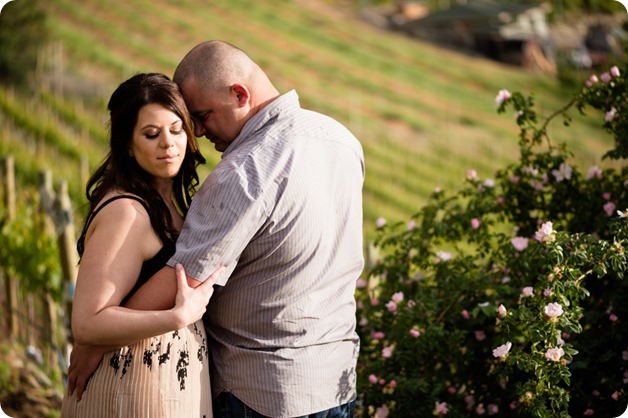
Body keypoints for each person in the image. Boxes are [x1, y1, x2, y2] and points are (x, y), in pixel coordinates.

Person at [69, 40, 365, 418]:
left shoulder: (246, 170)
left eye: (199, 117)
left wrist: (94, 341)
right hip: (335, 382)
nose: (199, 131)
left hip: (263, 392)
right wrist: (96, 329)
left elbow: (185, 278)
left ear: (240, 94)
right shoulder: (340, 139)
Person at [61, 72, 223, 418]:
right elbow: (88, 322)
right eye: (151, 134)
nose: (168, 143)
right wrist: (175, 317)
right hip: (129, 391)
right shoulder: (126, 212)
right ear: (127, 146)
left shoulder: (173, 207)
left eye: (176, 129)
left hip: (168, 385)